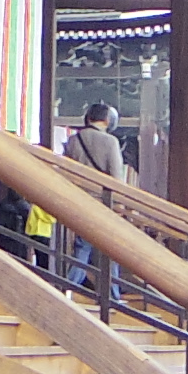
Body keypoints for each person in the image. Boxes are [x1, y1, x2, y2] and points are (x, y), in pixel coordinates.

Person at [59, 102, 129, 294]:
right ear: (107, 120)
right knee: (109, 249)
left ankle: (69, 286)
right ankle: (112, 293)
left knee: (82, 245)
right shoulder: (110, 142)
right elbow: (116, 177)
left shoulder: (74, 140)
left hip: (80, 200)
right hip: (103, 203)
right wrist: (120, 205)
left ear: (88, 118)